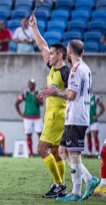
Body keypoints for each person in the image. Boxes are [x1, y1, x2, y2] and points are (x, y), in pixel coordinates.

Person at [40, 40, 99, 201]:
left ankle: (77, 191)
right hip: (77, 115)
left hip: (76, 116)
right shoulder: (86, 68)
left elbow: (71, 95)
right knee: (62, 151)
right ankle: (88, 180)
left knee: (73, 154)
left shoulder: (74, 70)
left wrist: (55, 92)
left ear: (69, 52)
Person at [29, 14, 70, 198]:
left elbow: (73, 95)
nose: (48, 55)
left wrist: (55, 93)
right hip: (51, 114)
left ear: (60, 56)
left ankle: (58, 184)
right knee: (54, 151)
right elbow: (41, 46)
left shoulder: (66, 72)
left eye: (52, 53)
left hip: (58, 115)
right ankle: (61, 186)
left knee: (41, 149)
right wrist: (34, 27)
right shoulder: (53, 67)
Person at [15, 79, 43, 158]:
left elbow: (41, 103)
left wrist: (36, 97)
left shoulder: (38, 93)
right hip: (27, 117)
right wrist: (21, 114)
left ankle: (41, 151)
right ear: (28, 85)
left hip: (37, 117)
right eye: (30, 84)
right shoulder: (25, 93)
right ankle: (31, 153)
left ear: (35, 85)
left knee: (40, 134)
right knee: (28, 134)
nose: (31, 85)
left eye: (33, 84)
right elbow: (16, 103)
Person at [86, 92, 105, 158]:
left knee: (95, 136)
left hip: (94, 121)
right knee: (88, 137)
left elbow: (103, 108)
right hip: (86, 120)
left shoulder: (95, 97)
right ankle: (89, 154)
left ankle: (97, 153)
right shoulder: (84, 97)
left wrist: (97, 116)